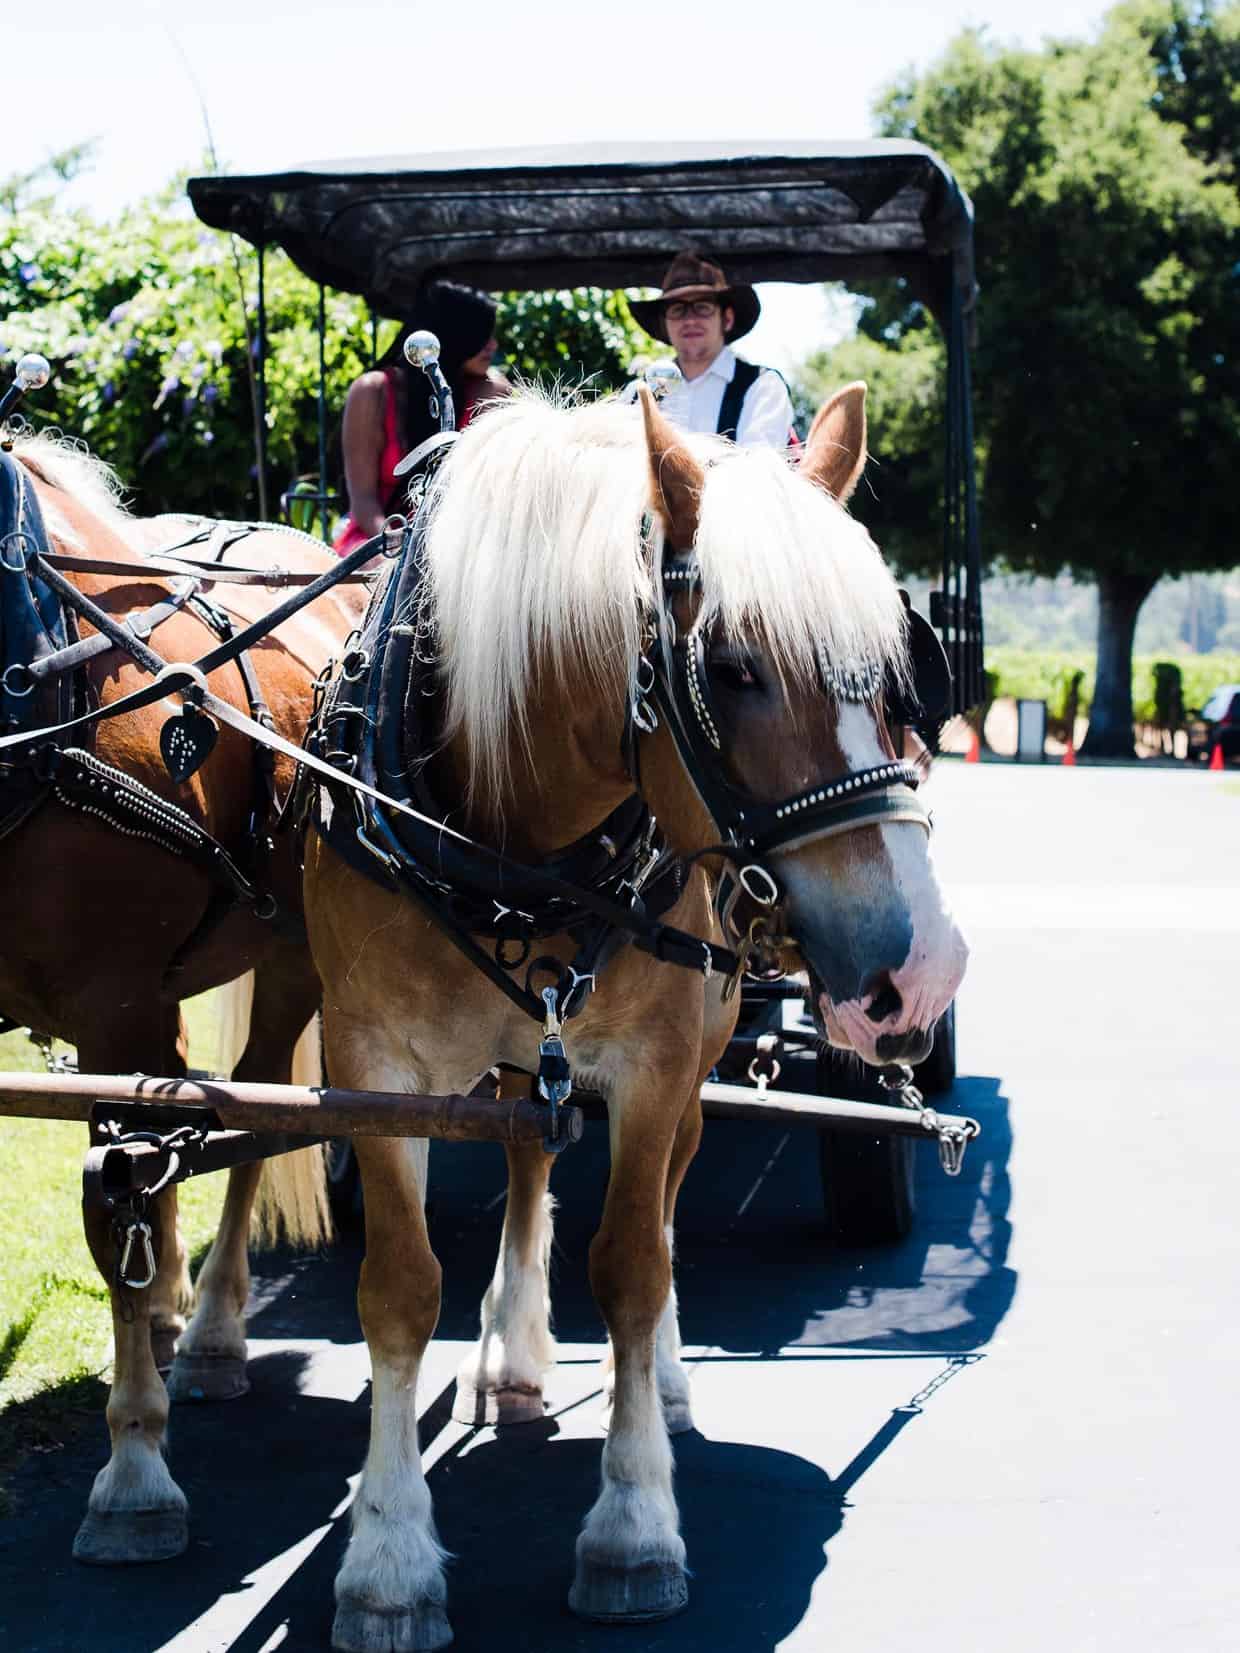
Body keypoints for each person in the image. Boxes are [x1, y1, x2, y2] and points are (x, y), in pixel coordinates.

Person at [333, 280, 510, 554]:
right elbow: (364, 504)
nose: (492, 346)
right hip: (378, 541)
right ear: (451, 335)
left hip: (460, 549)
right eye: (481, 335)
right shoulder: (373, 392)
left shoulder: (492, 393)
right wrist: (403, 552)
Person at [628, 250, 796, 449]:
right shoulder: (636, 394)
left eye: (702, 307)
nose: (690, 320)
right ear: (665, 323)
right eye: (677, 309)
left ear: (727, 318)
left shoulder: (762, 387)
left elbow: (759, 473)